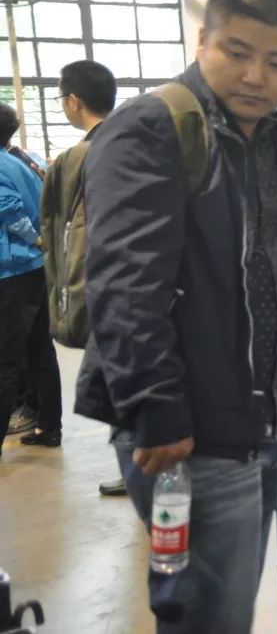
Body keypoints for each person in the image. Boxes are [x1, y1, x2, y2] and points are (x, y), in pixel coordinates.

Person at [74, 0, 277, 632]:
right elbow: (123, 283)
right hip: (192, 434)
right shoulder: (152, 128)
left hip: (260, 418)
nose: (256, 77)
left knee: (223, 607)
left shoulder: (272, 136)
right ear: (203, 38)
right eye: (237, 52)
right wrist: (157, 409)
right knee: (209, 615)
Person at [35, 60, 128, 494]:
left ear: (74, 101)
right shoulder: (138, 143)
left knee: (121, 379)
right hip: (153, 286)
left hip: (108, 289)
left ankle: (137, 468)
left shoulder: (81, 158)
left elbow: (65, 232)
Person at [0, 104, 62, 461]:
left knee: (5, 360)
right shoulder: (21, 161)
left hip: (13, 271)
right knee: (40, 351)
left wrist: (33, 238)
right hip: (34, 270)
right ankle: (49, 426)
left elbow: (10, 210)